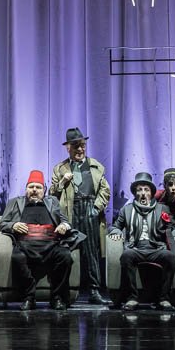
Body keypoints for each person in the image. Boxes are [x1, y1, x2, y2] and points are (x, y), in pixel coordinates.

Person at [0, 170, 85, 311]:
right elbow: (2, 224)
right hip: (25, 245)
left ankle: (57, 298)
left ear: (44, 190)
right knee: (17, 257)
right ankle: (29, 297)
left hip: (51, 245)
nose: (34, 190)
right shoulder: (15, 202)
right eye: (31, 187)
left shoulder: (52, 201)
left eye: (38, 187)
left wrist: (64, 226)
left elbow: (65, 221)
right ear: (26, 189)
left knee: (65, 256)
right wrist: (13, 225)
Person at [49, 127, 111, 305]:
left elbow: (105, 190)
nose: (80, 149)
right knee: (66, 251)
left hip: (90, 208)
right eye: (76, 146)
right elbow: (52, 194)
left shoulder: (95, 166)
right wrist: (62, 182)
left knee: (92, 252)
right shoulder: (60, 168)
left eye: (82, 145)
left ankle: (94, 290)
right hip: (70, 211)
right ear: (68, 148)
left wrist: (96, 208)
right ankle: (64, 291)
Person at [108, 172, 175, 312]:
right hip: (136, 248)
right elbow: (115, 226)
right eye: (139, 190)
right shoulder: (127, 210)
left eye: (146, 190)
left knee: (169, 257)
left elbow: (174, 226)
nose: (143, 193)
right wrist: (116, 232)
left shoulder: (162, 209)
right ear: (135, 193)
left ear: (151, 193)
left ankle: (164, 299)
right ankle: (132, 298)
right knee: (126, 256)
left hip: (155, 248)